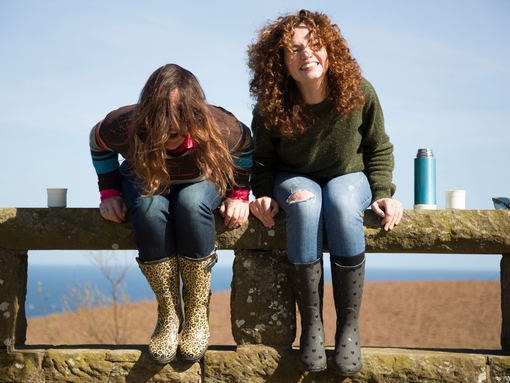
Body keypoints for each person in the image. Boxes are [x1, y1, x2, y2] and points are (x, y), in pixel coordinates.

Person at [247, 10, 403, 376]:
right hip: (295, 179)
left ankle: (348, 328)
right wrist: (265, 193)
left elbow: (379, 148)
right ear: (281, 61)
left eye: (315, 45)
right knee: (306, 204)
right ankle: (312, 326)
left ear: (330, 50)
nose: (307, 55)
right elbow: (262, 160)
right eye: (295, 49)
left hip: (349, 177)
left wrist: (382, 192)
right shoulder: (271, 106)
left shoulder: (360, 92)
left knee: (340, 200)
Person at [89, 64, 253, 363]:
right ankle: (168, 312)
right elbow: (97, 143)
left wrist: (239, 194)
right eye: (159, 129)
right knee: (149, 208)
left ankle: (196, 313)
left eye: (176, 130)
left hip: (201, 177)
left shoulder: (221, 125)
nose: (167, 138)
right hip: (145, 177)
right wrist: (109, 192)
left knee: (190, 205)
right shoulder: (121, 124)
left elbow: (244, 145)